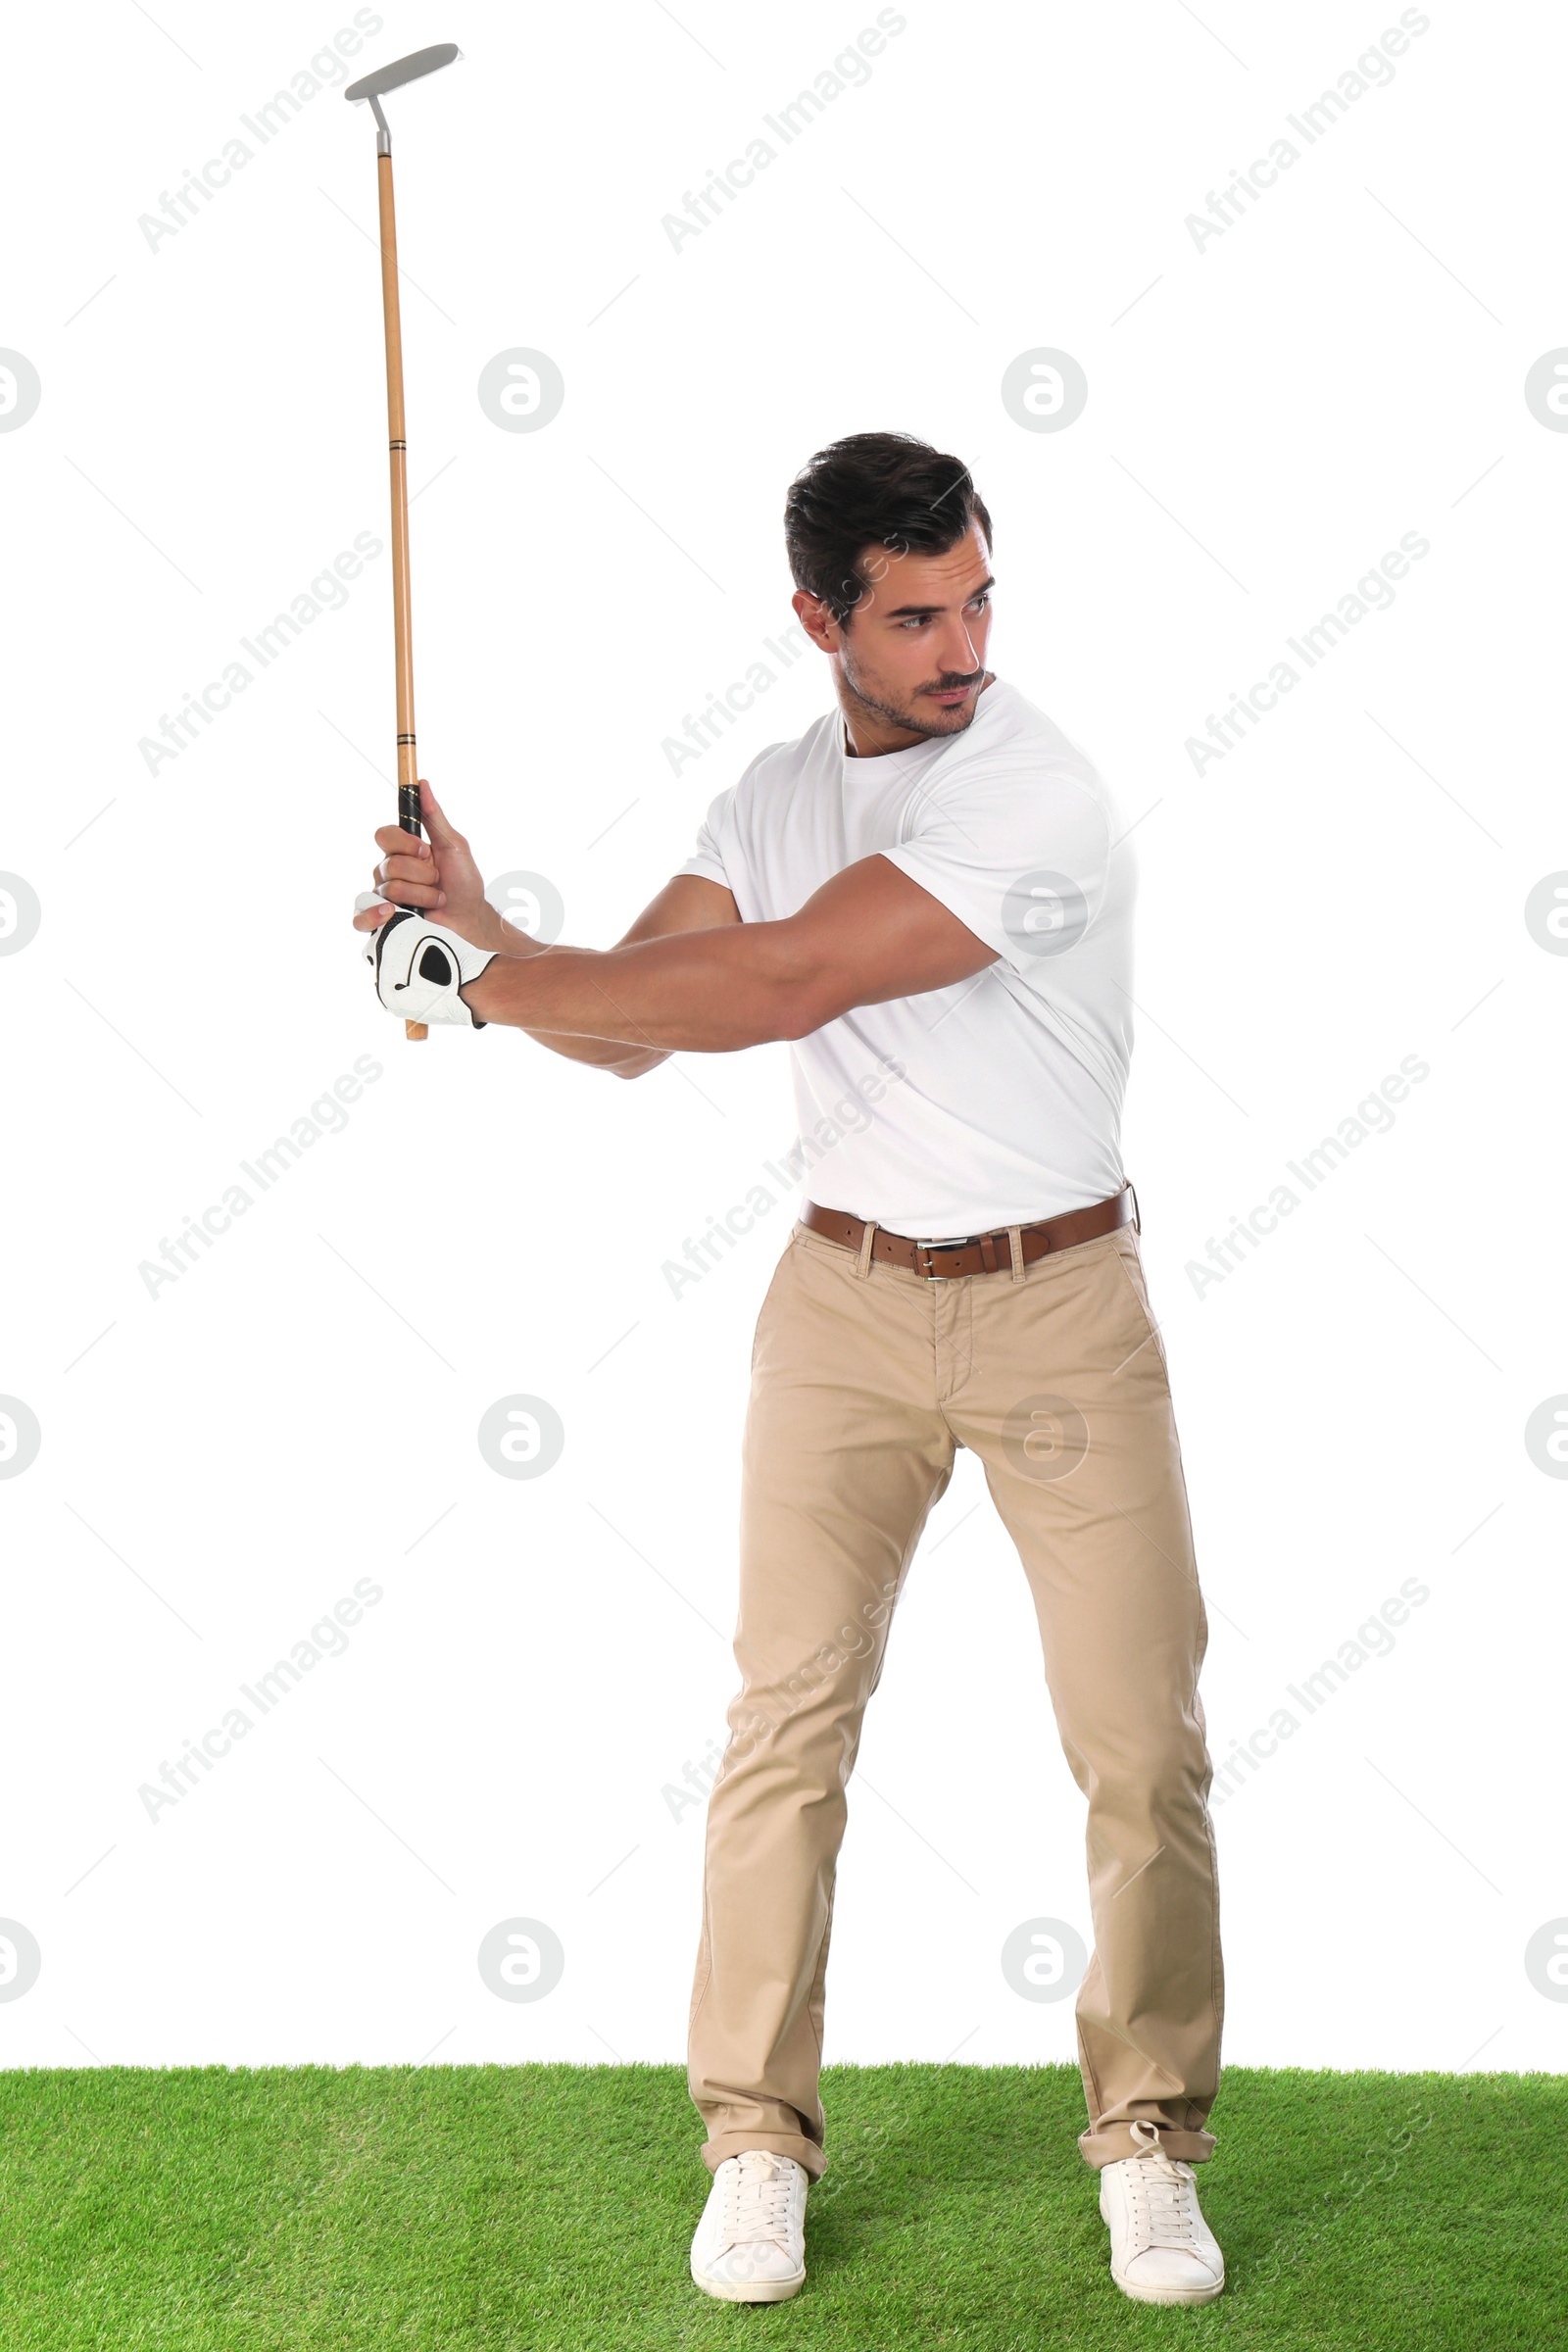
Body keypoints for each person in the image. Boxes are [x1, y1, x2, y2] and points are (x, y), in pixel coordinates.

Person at [352, 431, 1226, 2310]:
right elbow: (628, 1037)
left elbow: (775, 992)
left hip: (1064, 1298)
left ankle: (1147, 2141)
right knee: (784, 1730)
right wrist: (488, 931)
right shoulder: (769, 797)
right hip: (838, 1307)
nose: (962, 642)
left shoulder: (1038, 797)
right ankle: (754, 2139)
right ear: (820, 619)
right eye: (916, 614)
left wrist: (471, 974)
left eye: (979, 597)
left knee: (1137, 1740)